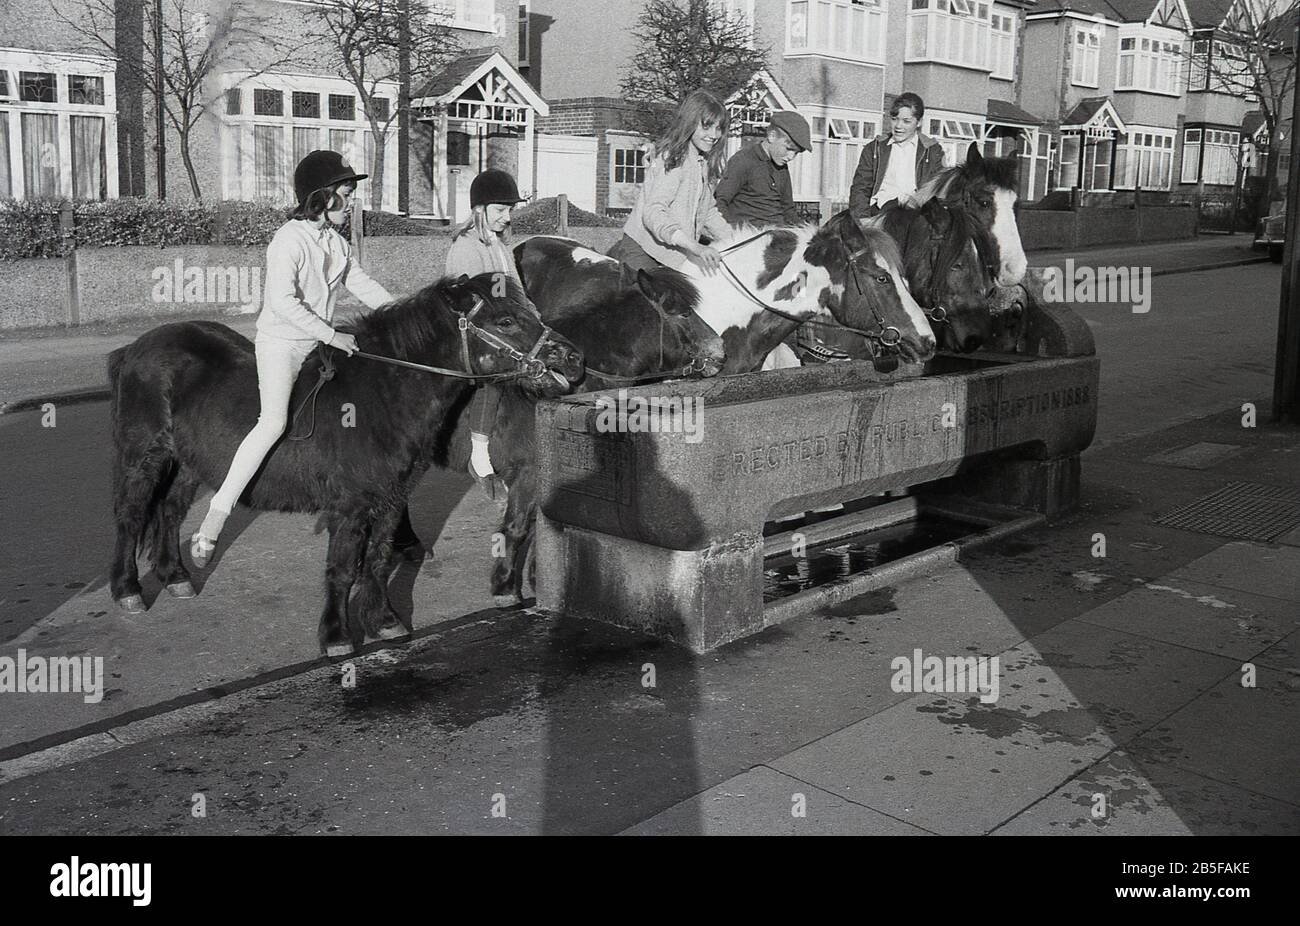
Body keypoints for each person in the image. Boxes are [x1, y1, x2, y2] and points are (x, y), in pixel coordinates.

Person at [189, 150, 395, 566]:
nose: (351, 201)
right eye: (346, 193)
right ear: (322, 196)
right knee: (274, 422)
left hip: (318, 343)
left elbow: (365, 287)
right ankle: (216, 514)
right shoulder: (288, 240)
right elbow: (283, 303)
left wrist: (406, 314)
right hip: (282, 344)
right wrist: (331, 335)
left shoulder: (337, 242)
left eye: (352, 193)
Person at [447, 168, 527, 502]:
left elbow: (517, 292)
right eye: (499, 211)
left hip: (501, 327)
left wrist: (536, 321)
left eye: (509, 211)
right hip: (472, 332)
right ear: (479, 210)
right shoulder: (465, 248)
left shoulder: (499, 246)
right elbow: (463, 302)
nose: (506, 218)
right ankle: (479, 455)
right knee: (494, 370)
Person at [607, 90, 734, 275]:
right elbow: (654, 212)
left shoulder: (701, 163)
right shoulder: (673, 160)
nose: (713, 135)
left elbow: (707, 213)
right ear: (689, 123)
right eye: (706, 127)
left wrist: (734, 239)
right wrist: (695, 247)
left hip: (674, 255)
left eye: (718, 128)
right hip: (643, 251)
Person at [847, 92, 946, 221]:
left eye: (906, 121)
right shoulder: (874, 149)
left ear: (919, 122)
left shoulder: (933, 151)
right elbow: (860, 189)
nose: (899, 126)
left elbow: (940, 191)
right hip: (879, 215)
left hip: (916, 218)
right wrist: (862, 220)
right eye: (895, 119)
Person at [714, 110, 811, 228]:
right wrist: (731, 233)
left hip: (778, 238)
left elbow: (788, 210)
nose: (791, 157)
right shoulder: (743, 160)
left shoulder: (781, 167)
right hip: (749, 238)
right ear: (772, 136)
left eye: (796, 153)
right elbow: (720, 202)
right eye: (789, 149)